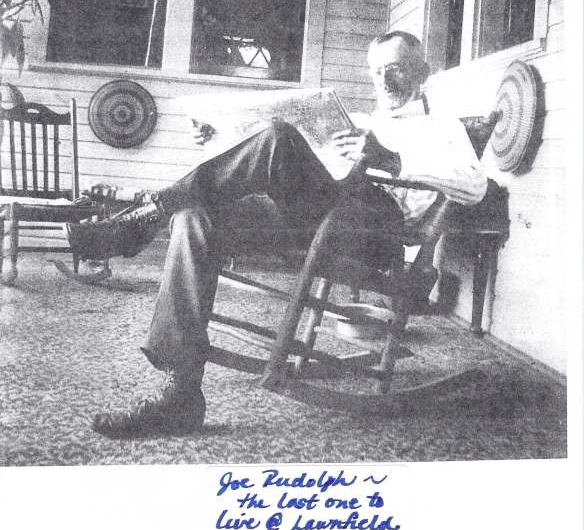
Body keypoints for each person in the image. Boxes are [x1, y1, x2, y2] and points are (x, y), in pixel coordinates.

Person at [67, 31, 487, 438]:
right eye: (375, 69)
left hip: (371, 230)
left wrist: (392, 160)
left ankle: (148, 212)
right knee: (195, 216)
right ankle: (182, 394)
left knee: (278, 137)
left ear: (423, 71)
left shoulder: (442, 128)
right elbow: (277, 166)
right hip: (312, 220)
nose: (382, 78)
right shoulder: (357, 122)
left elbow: (474, 187)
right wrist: (219, 137)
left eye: (394, 68)